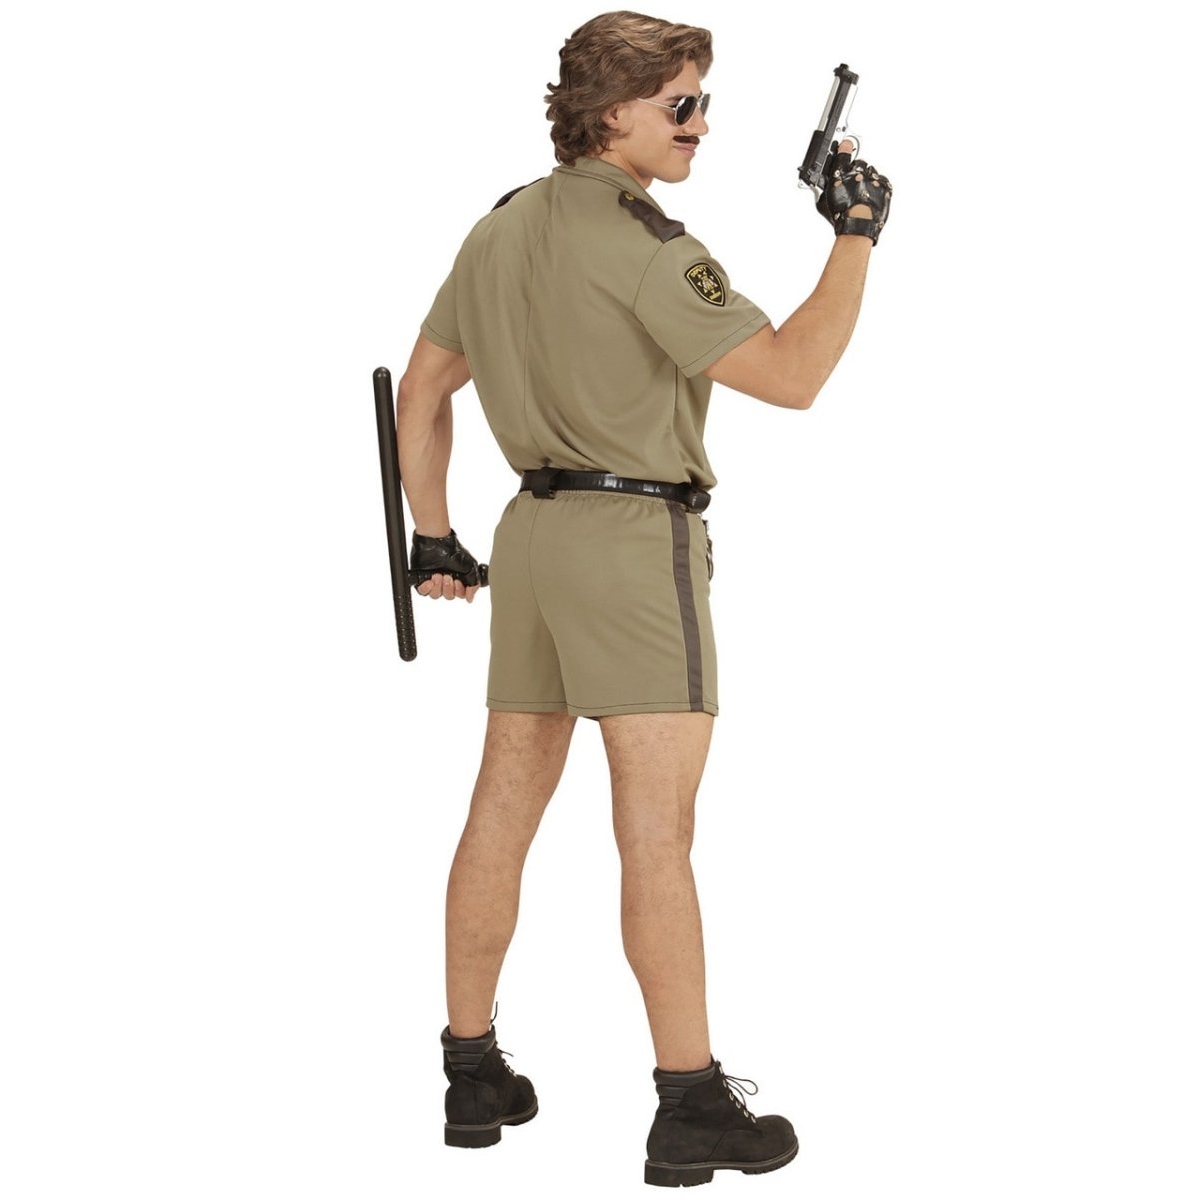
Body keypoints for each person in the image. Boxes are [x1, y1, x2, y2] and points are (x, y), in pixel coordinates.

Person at [393, 11, 891, 1188]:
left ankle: (471, 1071)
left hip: (532, 539)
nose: (701, 124)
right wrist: (857, 235)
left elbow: (422, 390)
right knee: (656, 836)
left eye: (702, 101)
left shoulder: (498, 229)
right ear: (610, 112)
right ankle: (691, 1103)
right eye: (682, 105)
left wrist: (434, 534)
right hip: (632, 545)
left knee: (499, 811)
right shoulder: (652, 247)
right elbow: (795, 376)